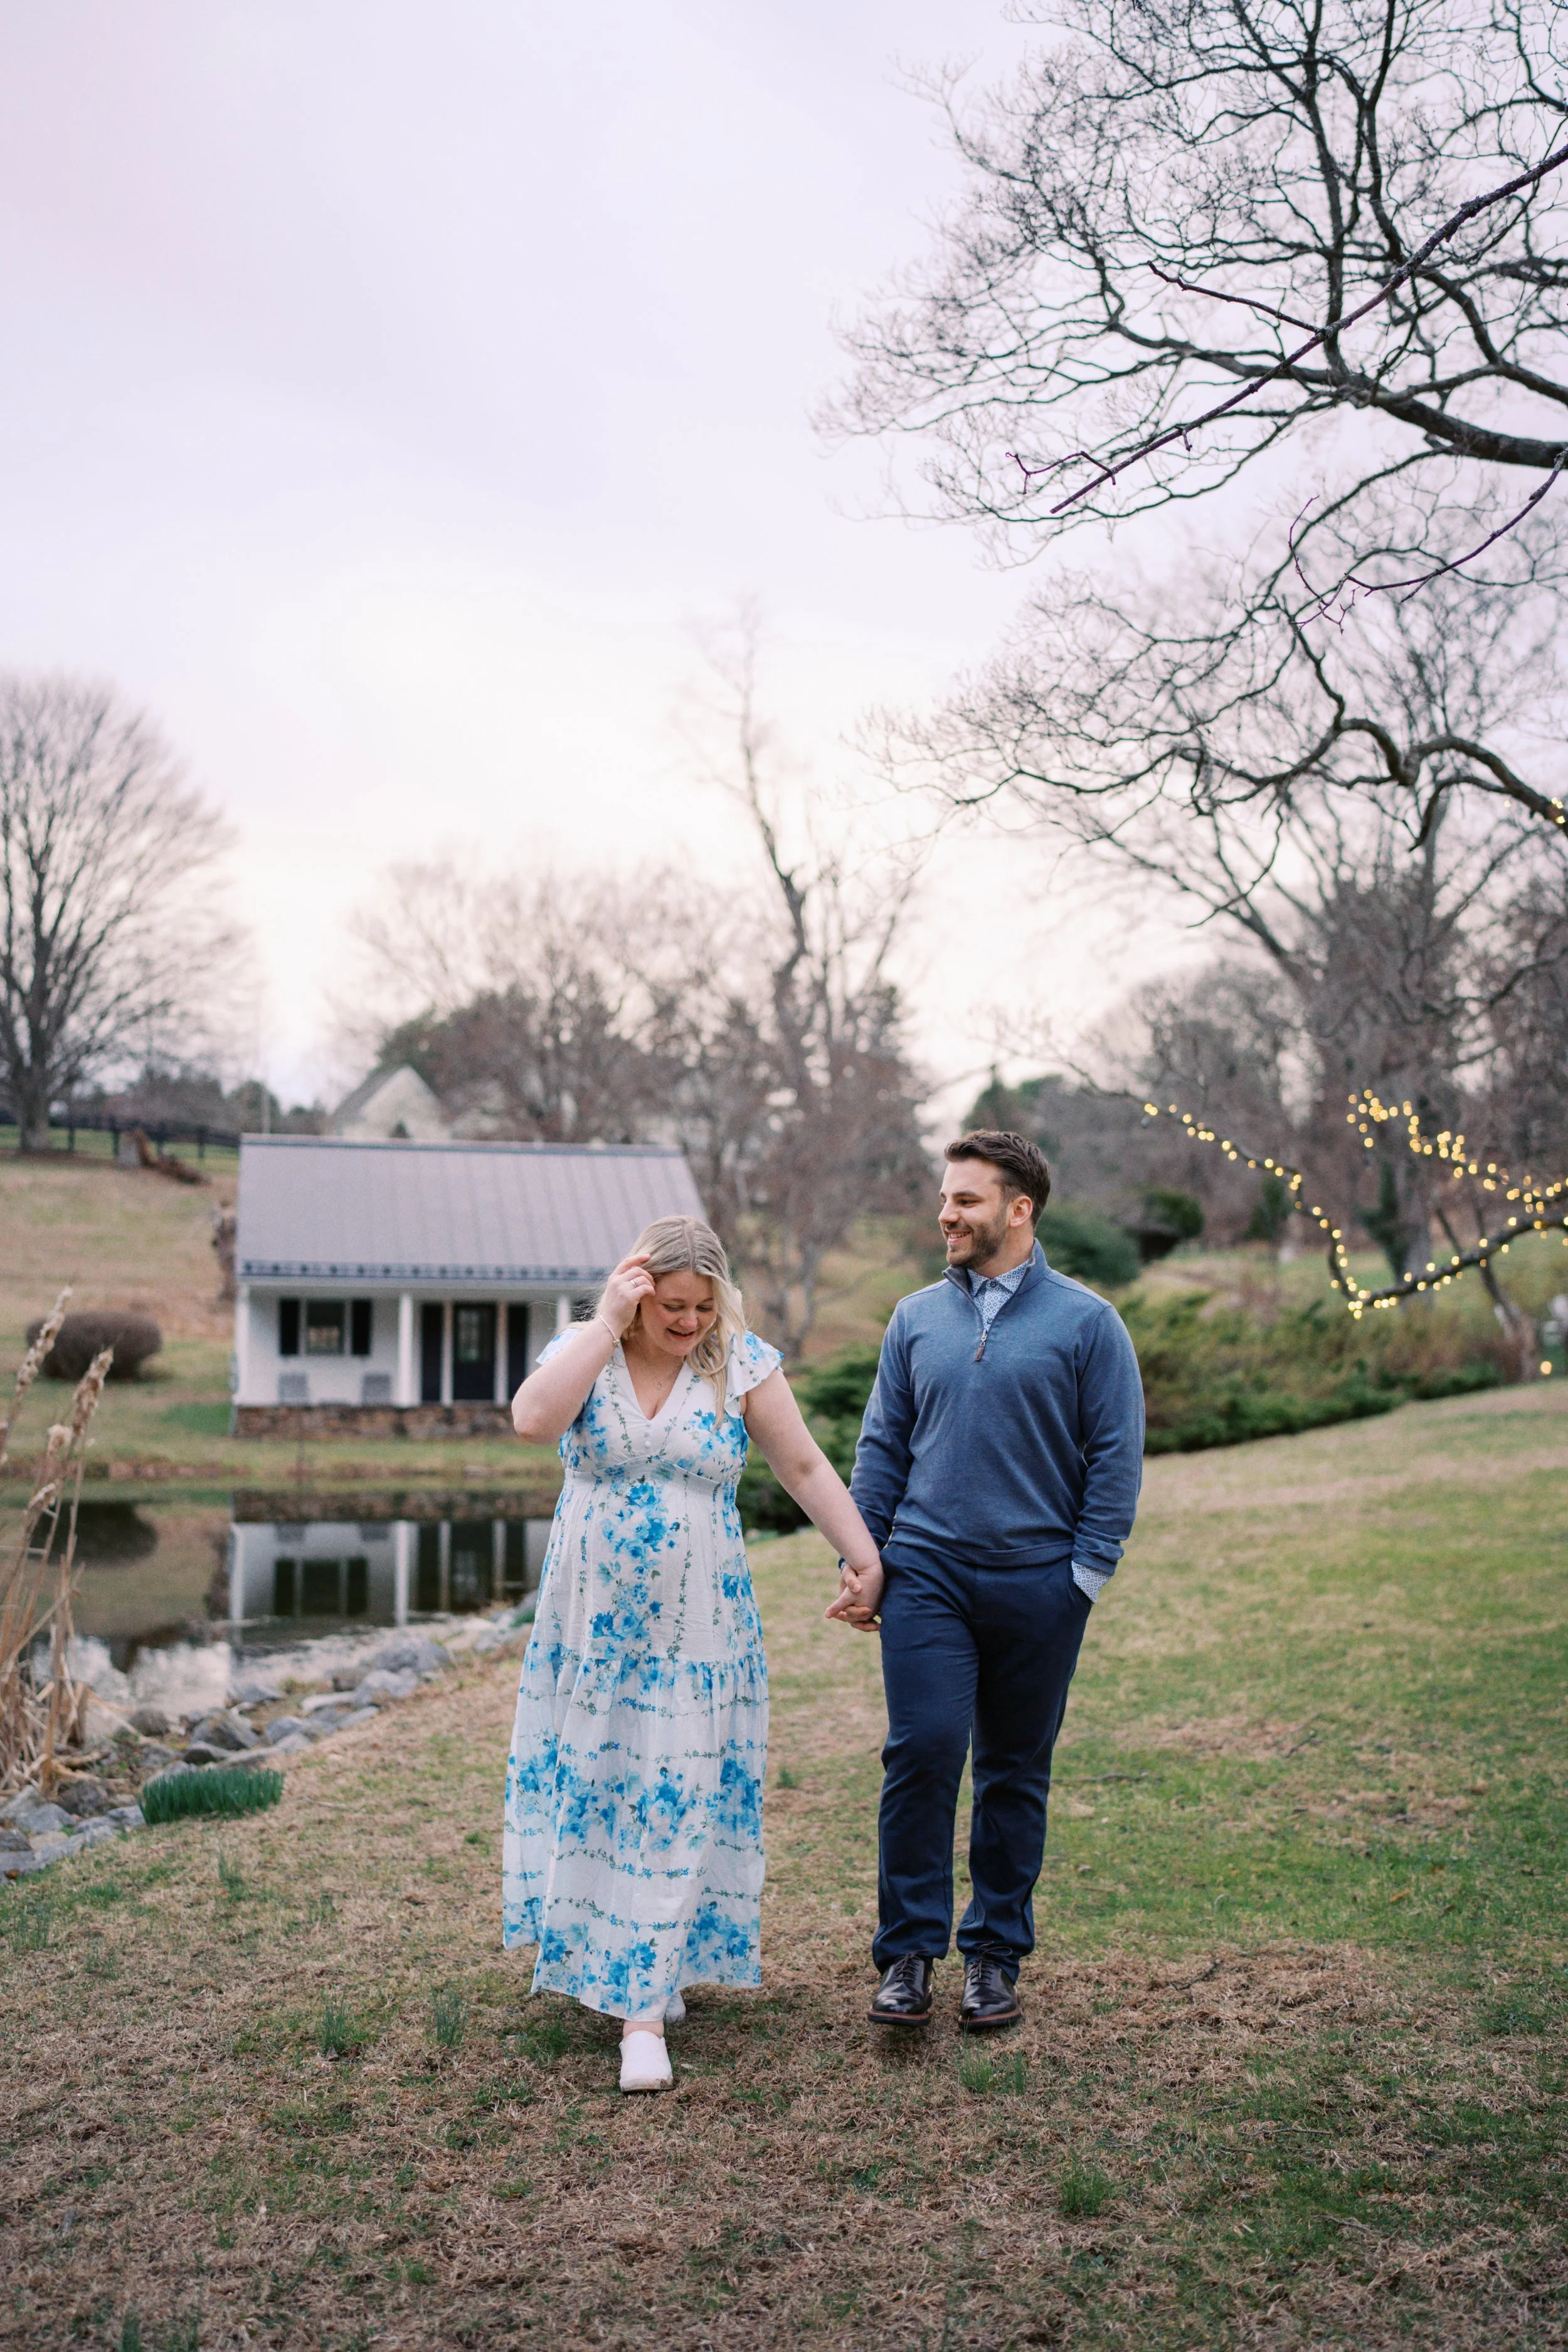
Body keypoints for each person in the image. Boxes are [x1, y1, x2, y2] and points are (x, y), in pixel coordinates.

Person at [502, 1214, 883, 2094]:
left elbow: (806, 1469)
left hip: (698, 1632)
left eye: (704, 1307)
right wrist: (603, 1322)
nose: (689, 1323)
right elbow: (530, 1420)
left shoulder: (740, 1363)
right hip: (593, 1634)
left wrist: (866, 1557)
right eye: (672, 1305)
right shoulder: (586, 1348)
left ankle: (641, 2015)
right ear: (637, 1294)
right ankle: (643, 1962)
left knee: (672, 1792)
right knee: (605, 1787)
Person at [839, 1131, 1144, 2033]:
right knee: (923, 1751)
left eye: (966, 1200)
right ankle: (906, 1955)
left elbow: (1116, 1460)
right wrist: (862, 1558)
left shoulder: (1089, 1323)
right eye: (945, 1197)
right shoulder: (914, 1317)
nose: (947, 1214)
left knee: (1014, 1769)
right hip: (924, 1572)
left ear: (1020, 1208)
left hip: (1038, 1582)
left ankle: (995, 1957)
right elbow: (882, 1446)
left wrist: (1080, 1578)